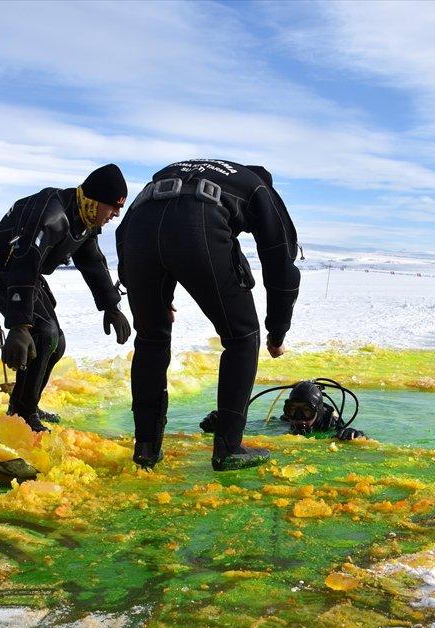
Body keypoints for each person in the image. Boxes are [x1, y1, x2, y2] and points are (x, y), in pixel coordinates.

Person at [116, 160, 301, 471]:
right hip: (198, 221)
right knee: (242, 336)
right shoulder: (258, 187)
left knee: (151, 338)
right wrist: (277, 330)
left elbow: (126, 227)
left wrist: (145, 288)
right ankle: (229, 448)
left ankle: (146, 447)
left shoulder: (183, 171)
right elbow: (280, 257)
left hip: (140, 232)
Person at [0, 166, 132, 431]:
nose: (116, 214)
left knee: (56, 343)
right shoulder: (50, 214)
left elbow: (93, 262)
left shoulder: (84, 218)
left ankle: (24, 405)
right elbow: (24, 261)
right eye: (113, 207)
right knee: (44, 334)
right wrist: (18, 326)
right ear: (95, 200)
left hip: (28, 275)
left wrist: (111, 306)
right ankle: (22, 416)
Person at [200, 378, 366, 441]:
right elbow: (250, 428)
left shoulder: (331, 426)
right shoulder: (286, 422)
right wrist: (225, 423)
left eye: (307, 411)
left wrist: (357, 435)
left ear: (318, 411)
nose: (299, 416)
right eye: (293, 409)